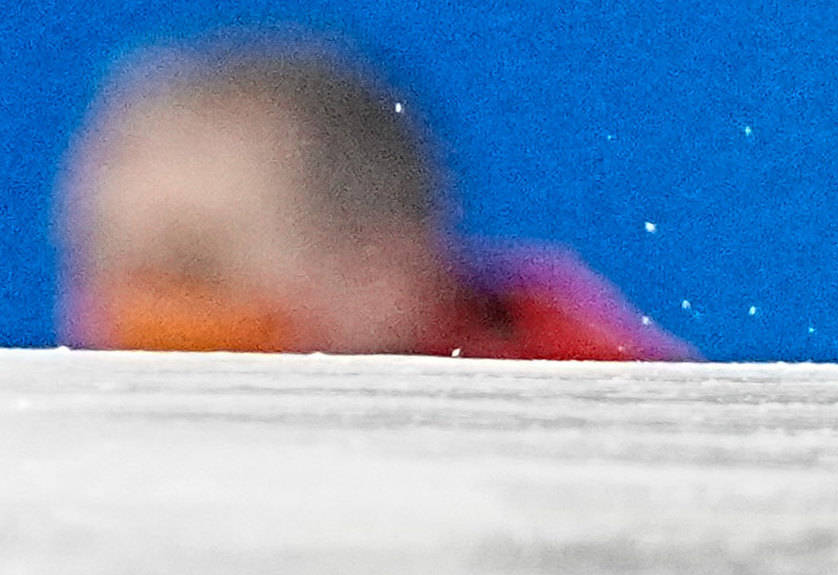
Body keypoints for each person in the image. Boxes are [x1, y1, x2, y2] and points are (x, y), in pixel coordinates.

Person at [54, 31, 687, 362]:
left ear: (378, 277)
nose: (128, 308)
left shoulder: (615, 442)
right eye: (100, 262)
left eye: (191, 266)